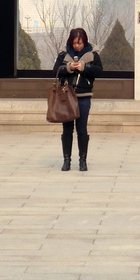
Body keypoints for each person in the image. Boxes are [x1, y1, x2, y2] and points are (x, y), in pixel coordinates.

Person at [52, 27, 102, 172]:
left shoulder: (92, 55)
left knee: (82, 129)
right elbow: (55, 71)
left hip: (84, 96)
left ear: (84, 42)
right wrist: (68, 67)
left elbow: (99, 71)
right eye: (74, 43)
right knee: (67, 129)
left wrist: (84, 67)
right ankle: (66, 160)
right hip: (67, 97)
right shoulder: (63, 54)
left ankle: (82, 160)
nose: (77, 46)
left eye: (79, 43)